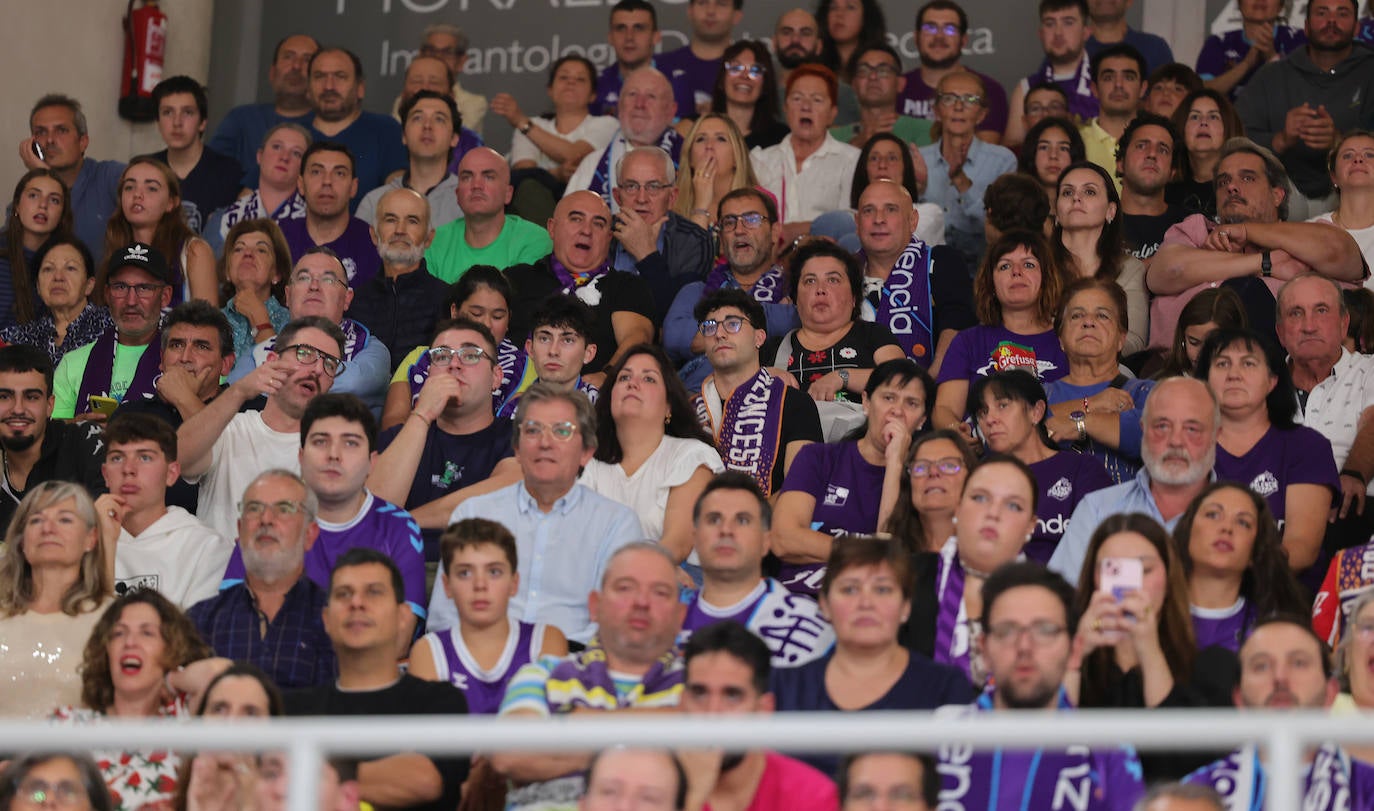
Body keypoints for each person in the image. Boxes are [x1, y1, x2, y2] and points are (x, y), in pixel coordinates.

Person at [424, 384, 644, 643]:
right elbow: (443, 618)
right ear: (517, 449)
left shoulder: (616, 524)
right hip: (481, 660)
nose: (545, 443)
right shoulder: (473, 514)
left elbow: (618, 623)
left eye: (562, 431)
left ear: (586, 452)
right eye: (533, 430)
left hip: (575, 668)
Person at [218, 393, 427, 649]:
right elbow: (233, 626)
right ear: (301, 457)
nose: (333, 455)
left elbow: (399, 639)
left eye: (350, 443)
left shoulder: (399, 527)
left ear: (372, 462)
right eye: (320, 441)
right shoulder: (264, 523)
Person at [936, 562, 1146, 810]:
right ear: (984, 649)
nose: (1024, 646)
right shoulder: (939, 736)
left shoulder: (1108, 750)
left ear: (1075, 649)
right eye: (1007, 630)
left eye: (1044, 630)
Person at [492, 543, 687, 808]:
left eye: (660, 592)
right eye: (625, 588)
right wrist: (664, 731)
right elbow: (511, 756)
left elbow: (713, 759)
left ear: (680, 616)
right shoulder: (541, 674)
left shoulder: (701, 686)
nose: (641, 602)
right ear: (595, 606)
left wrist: (572, 726)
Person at [770, 535, 974, 775]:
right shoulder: (782, 688)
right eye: (850, 589)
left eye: (882, 589)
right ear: (824, 604)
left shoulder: (946, 688)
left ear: (906, 606)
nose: (865, 602)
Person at [285, 548, 470, 811]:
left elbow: (424, 781)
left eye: (374, 592)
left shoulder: (441, 700)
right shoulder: (293, 709)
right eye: (343, 594)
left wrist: (312, 768)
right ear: (326, 619)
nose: (357, 603)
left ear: (403, 617)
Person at [1148, 138, 1365, 349]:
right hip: (1173, 374)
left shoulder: (1307, 238)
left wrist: (1246, 230)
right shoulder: (1197, 231)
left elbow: (1342, 253)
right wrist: (1264, 262)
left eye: (1247, 178)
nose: (1231, 187)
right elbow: (1163, 273)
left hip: (1283, 373)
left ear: (1277, 194)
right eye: (1223, 181)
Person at [1069, 513, 1235, 779]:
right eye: (1113, 570)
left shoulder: (1214, 667)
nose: (1128, 585)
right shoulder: (1066, 663)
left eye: (1143, 570)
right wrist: (1073, 658)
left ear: (1169, 577)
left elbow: (1189, 766)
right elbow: (1045, 752)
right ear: (1093, 579)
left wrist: (1148, 649)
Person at [177, 315, 346, 541]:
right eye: (305, 353)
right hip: (220, 574)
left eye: (329, 364)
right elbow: (179, 457)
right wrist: (238, 392)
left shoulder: (334, 453)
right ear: (271, 360)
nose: (317, 369)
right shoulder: (229, 429)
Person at [773, 359, 933, 595]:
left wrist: (895, 464)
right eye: (888, 398)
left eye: (911, 403)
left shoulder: (924, 478)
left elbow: (892, 561)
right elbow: (784, 539)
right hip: (797, 597)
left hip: (867, 604)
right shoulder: (818, 458)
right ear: (866, 402)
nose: (897, 410)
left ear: (922, 420)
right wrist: (869, 551)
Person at [1183, 616, 1374, 808]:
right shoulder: (1195, 797)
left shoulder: (1368, 789)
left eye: (1298, 663)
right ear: (1239, 698)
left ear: (1330, 693)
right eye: (1262, 665)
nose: (1280, 677)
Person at [50, 589, 215, 809]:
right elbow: (39, 796)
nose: (130, 642)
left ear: (172, 647)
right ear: (106, 649)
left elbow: (218, 675)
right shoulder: (68, 723)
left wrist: (171, 679)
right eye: (119, 633)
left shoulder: (186, 719)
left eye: (147, 633)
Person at [1048, 376, 1219, 585]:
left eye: (1192, 429)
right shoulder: (1098, 510)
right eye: (1162, 426)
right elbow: (1059, 602)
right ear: (1143, 430)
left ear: (1215, 435)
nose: (1176, 441)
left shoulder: (1239, 517)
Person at [1195, 327, 1338, 573]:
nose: (1234, 374)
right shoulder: (1188, 445)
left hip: (1283, 594)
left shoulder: (1306, 446)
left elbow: (1301, 548)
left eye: (1248, 364)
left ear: (1272, 381)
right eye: (1222, 364)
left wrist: (1232, 573)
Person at [371, 318, 517, 548]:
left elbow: (505, 495)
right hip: (398, 568)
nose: (454, 364)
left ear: (496, 377)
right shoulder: (399, 438)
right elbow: (371, 512)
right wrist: (421, 415)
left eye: (470, 355)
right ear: (429, 373)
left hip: (481, 569)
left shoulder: (518, 437)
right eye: (442, 356)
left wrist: (403, 522)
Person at [900, 455, 1040, 689]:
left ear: (1030, 526)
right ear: (958, 510)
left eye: (1013, 505)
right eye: (980, 498)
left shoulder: (1049, 599)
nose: (993, 513)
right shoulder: (903, 576)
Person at [187, 469, 336, 688]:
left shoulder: (335, 620)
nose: (266, 519)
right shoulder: (200, 621)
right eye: (254, 509)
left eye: (284, 509)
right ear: (240, 530)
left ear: (309, 534)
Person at [677, 620, 838, 811]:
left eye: (732, 695)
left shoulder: (812, 795)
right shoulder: (646, 783)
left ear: (764, 709)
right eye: (700, 693)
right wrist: (692, 800)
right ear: (682, 703)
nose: (713, 712)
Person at [583, 344, 723, 564]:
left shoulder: (692, 455)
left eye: (648, 379)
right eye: (623, 378)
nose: (632, 383)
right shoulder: (590, 464)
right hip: (601, 583)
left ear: (669, 407)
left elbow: (677, 544)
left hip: (677, 580)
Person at [409, 518, 567, 712]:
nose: (480, 585)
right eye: (465, 573)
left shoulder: (545, 641)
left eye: (494, 572)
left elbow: (554, 736)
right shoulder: (429, 651)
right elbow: (429, 739)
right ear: (447, 585)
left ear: (514, 583)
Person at [681, 473, 833, 667]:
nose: (726, 530)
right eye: (714, 519)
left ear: (766, 541)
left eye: (743, 520)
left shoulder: (812, 625)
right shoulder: (664, 615)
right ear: (694, 537)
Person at [1236, 0, 1374, 214]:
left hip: (1358, 200)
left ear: (1357, 27)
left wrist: (1340, 143)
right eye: (1322, 12)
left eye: (1342, 13)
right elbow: (1233, 136)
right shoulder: (1272, 75)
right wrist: (1279, 140)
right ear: (1306, 25)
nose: (1331, 21)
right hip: (1282, 196)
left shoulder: (1370, 72)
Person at [505, 191, 655, 381]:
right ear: (552, 228)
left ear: (609, 238)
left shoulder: (625, 286)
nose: (586, 231)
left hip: (590, 400)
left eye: (598, 224)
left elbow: (636, 338)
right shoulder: (517, 279)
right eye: (576, 219)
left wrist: (606, 377)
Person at [931, 229, 1069, 437]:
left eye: (1029, 264)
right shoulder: (968, 341)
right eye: (1005, 266)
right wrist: (957, 433)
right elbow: (945, 410)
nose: (1016, 271)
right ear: (991, 284)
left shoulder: (1067, 340)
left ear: (1046, 279)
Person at [665, 189, 801, 391]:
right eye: (729, 222)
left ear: (774, 231)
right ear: (720, 236)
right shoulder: (695, 291)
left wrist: (711, 329)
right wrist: (773, 315)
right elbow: (673, 338)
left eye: (752, 219)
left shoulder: (795, 287)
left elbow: (800, 319)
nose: (739, 230)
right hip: (695, 400)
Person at [1276, 273, 1374, 552]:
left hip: (1353, 513)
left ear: (1344, 324)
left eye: (1321, 310)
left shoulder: (1369, 370)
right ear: (1280, 332)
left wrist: (1354, 473)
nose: (1309, 326)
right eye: (1296, 313)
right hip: (1276, 516)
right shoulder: (1262, 382)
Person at [970, 371, 1112, 563]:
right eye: (982, 412)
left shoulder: (1082, 470)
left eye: (1002, 405)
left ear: (1036, 412)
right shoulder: (978, 478)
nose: (989, 419)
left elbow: (1105, 546)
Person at [0, 481, 114, 718]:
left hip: (82, 753)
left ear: (90, 538)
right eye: (36, 520)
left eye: (64, 520)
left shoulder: (114, 618)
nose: (48, 528)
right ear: (22, 542)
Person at [693, 289, 822, 496]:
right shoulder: (687, 410)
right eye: (709, 327)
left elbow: (800, 491)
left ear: (759, 338)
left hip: (769, 523)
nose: (719, 333)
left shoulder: (794, 404)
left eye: (733, 324)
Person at [101, 413, 231, 607]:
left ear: (171, 474)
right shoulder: (82, 543)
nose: (128, 469)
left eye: (144, 457)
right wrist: (103, 543)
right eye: (117, 458)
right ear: (105, 474)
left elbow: (198, 632)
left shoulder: (206, 547)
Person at [854, 179, 972, 374]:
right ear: (857, 223)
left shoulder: (941, 262)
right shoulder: (841, 272)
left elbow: (958, 322)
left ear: (913, 221)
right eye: (868, 210)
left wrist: (931, 382)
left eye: (891, 209)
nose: (878, 219)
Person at [1173, 482, 1308, 652]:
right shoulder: (1152, 613)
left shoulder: (1275, 631)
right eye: (1213, 515)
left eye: (1243, 523)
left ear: (1255, 551)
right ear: (1187, 531)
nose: (1227, 528)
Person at [1044, 278, 1154, 483]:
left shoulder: (1145, 392)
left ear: (1121, 339)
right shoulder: (1038, 394)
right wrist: (1092, 404)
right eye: (1077, 315)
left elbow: (1156, 437)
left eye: (1102, 315)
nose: (1088, 322)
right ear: (1060, 339)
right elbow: (1020, 429)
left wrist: (1080, 423)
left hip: (1124, 514)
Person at [252, 248, 389, 412]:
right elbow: (240, 384)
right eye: (303, 278)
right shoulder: (262, 348)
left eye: (328, 280)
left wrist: (277, 378)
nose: (314, 286)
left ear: (347, 298)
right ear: (287, 296)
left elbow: (354, 383)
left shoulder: (372, 349)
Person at [52, 242, 171, 421]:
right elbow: (54, 436)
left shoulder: (186, 359)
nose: (131, 301)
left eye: (144, 288)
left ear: (165, 296)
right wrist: (78, 427)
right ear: (107, 294)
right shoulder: (72, 364)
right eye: (120, 287)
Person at [775, 241, 903, 407]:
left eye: (833, 280)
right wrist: (762, 379)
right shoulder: (774, 348)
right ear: (795, 299)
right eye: (810, 281)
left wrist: (843, 377)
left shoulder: (874, 335)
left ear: (854, 298)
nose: (820, 289)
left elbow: (903, 381)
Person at [496, 55, 618, 221]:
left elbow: (574, 153)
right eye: (563, 77)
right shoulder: (531, 125)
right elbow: (523, 176)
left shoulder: (607, 124)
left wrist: (520, 121)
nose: (571, 83)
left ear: (593, 95)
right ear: (550, 90)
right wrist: (558, 174)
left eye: (580, 79)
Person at [920, 71, 1019, 272]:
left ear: (982, 114)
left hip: (983, 268)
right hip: (925, 268)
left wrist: (961, 182)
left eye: (970, 99)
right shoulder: (917, 159)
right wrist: (916, 190)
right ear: (937, 110)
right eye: (949, 98)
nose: (958, 106)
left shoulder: (1002, 160)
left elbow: (1002, 229)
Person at [0, 345, 106, 531]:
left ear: (50, 406)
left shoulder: (83, 443)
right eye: (4, 397)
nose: (17, 408)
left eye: (31, 397)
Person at [751, 64, 861, 243]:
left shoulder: (852, 160)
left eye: (817, 100)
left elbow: (853, 219)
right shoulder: (759, 160)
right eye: (797, 98)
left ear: (832, 113)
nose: (806, 107)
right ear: (785, 108)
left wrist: (800, 229)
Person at [347, 188, 450, 373]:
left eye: (412, 221)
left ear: (429, 238)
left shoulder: (448, 300)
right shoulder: (354, 302)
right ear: (373, 234)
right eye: (390, 219)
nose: (400, 230)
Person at [1052, 162, 1148, 357]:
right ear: (1057, 213)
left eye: (1089, 192)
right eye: (1067, 193)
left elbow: (1134, 339)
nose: (1076, 198)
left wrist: (1092, 355)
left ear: (1110, 211)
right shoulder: (1036, 263)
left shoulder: (1130, 268)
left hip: (1107, 368)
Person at [610, 147, 714, 322]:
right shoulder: (600, 232)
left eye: (653, 187)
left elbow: (679, 319)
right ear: (617, 197)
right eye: (631, 186)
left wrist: (647, 255)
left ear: (672, 197)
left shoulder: (694, 240)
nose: (641, 198)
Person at [425, 145, 553, 284]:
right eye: (467, 177)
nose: (476, 185)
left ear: (508, 194)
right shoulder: (435, 241)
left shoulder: (535, 241)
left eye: (488, 177)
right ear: (457, 194)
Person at [208, 33, 318, 189]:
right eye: (288, 57)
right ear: (272, 73)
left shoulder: (326, 128)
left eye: (307, 60)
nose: (296, 66)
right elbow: (211, 175)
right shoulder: (241, 118)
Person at [20, 94, 125, 257]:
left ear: (83, 142)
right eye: (41, 132)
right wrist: (44, 178)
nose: (49, 140)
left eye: (61, 130)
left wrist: (46, 176)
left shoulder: (110, 176)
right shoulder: (27, 195)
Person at [103, 157, 218, 306]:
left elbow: (209, 324)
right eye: (129, 187)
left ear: (171, 203)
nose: (137, 194)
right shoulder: (115, 247)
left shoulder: (194, 251)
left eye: (151, 188)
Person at [113, 300, 237, 436]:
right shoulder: (130, 417)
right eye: (176, 345)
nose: (185, 358)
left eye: (201, 347)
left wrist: (183, 398)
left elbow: (228, 451)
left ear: (226, 364)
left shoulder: (248, 410)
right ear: (162, 358)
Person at [304, 47, 407, 209]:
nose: (329, 86)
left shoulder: (386, 130)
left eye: (340, 77)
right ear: (308, 88)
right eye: (319, 77)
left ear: (360, 88)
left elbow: (399, 201)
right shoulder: (289, 134)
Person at [898, 0, 1010, 141]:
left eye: (949, 29)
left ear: (963, 40)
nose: (939, 36)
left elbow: (985, 156)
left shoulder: (988, 90)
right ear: (916, 38)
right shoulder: (897, 89)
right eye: (930, 28)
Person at [569, 67, 684, 201]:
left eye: (651, 96)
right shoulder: (592, 163)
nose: (640, 104)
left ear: (671, 110)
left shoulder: (689, 161)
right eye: (632, 94)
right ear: (619, 105)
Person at [146, 76, 243, 233]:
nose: (177, 122)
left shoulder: (228, 173)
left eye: (187, 112)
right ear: (158, 122)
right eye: (167, 112)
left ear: (203, 122)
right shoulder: (145, 169)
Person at [277, 142, 380, 288]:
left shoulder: (373, 243)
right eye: (316, 172)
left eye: (339, 173)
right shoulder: (279, 239)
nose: (327, 182)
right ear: (300, 184)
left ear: (353, 187)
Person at [0, 234, 113, 366]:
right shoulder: (24, 338)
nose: (58, 277)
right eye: (48, 269)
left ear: (89, 285)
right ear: (38, 287)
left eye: (70, 268)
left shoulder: (111, 327)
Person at [357, 90, 463, 230]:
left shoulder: (467, 199)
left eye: (439, 119)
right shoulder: (374, 202)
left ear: (454, 138)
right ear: (404, 136)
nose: (427, 126)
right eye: (418, 118)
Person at [204, 123, 310, 257]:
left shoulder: (314, 224)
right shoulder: (222, 220)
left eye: (296, 153)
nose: (284, 157)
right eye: (277, 147)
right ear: (260, 156)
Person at [1005, 0, 1099, 150]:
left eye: (1068, 22)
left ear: (1086, 32)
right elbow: (1013, 151)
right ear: (1041, 34)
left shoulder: (1105, 81)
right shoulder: (1026, 87)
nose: (1058, 33)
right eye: (1050, 23)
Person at [884, 429, 976, 557]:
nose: (933, 472)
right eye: (921, 467)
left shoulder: (990, 560)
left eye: (949, 465)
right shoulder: (890, 558)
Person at [0, 168, 72, 331]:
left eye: (54, 200)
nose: (43, 205)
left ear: (62, 214)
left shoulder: (71, 262)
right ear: (16, 205)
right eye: (33, 195)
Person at [832, 43, 934, 149]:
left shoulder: (929, 131)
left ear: (900, 84)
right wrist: (857, 144)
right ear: (854, 84)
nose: (872, 77)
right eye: (864, 71)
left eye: (883, 71)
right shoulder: (833, 137)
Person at [1196, 0, 1303, 99]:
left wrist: (1272, 56)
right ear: (1239, 3)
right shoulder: (1218, 42)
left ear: (1280, 6)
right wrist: (1247, 63)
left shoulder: (1298, 38)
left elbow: (1304, 93)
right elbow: (1202, 93)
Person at [1165, 89, 1244, 221]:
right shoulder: (1166, 190)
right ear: (1181, 128)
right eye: (1194, 116)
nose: (1203, 122)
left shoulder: (1248, 183)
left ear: (1228, 127)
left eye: (1213, 116)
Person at [673, 114, 758, 234]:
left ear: (736, 156)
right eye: (700, 139)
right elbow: (689, 253)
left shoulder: (760, 203)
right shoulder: (671, 207)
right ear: (690, 158)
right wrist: (700, 206)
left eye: (721, 139)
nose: (709, 146)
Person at [1117, 113, 1185, 262]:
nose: (1152, 154)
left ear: (1172, 172)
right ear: (1120, 163)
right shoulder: (1097, 222)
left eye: (1163, 150)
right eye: (1141, 146)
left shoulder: (1189, 226)